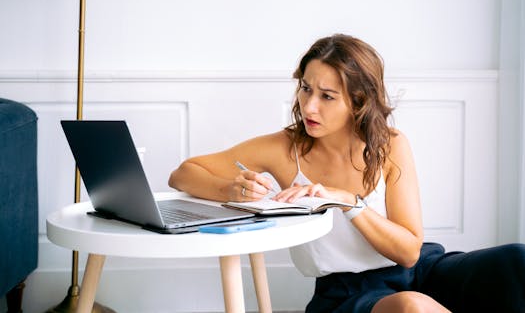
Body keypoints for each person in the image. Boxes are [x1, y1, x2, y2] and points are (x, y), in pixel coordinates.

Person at [169, 34, 525, 312]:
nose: (309, 106)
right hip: (345, 294)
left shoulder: (390, 145)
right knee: (412, 308)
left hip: (421, 271)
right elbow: (184, 173)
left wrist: (350, 204)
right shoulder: (284, 147)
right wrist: (232, 189)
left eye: (327, 96)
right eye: (306, 88)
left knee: (516, 261)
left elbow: (409, 252)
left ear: (358, 101)